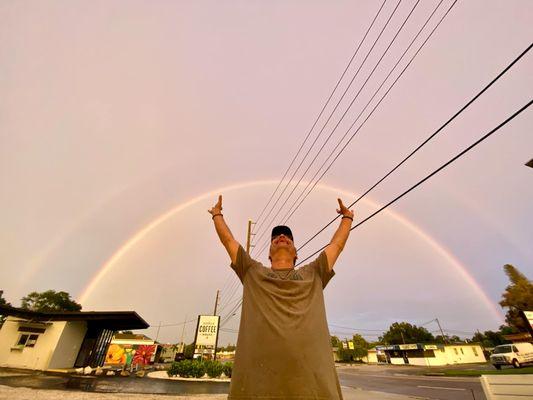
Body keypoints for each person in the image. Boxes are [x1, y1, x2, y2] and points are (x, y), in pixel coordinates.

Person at [209, 195, 354, 400]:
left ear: (296, 253)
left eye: (287, 236)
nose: (282, 236)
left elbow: (336, 245)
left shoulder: (314, 272)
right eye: (276, 237)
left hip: (315, 391)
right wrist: (217, 214)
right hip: (255, 390)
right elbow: (228, 241)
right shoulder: (252, 271)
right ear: (269, 253)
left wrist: (347, 218)